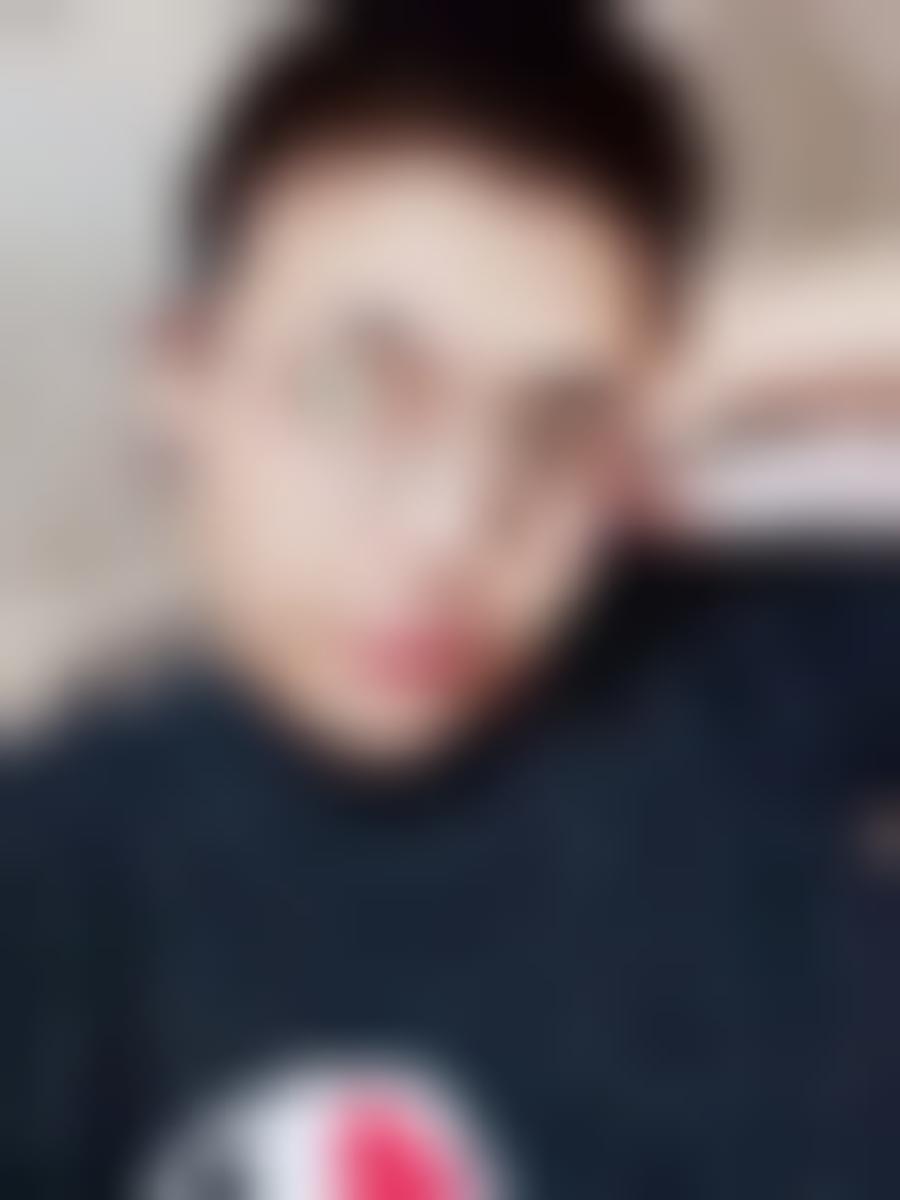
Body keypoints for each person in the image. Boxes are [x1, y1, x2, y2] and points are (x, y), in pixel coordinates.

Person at [3, 2, 898, 1197]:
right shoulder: (60, 883)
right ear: (184, 376)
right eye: (360, 395)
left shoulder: (735, 669)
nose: (451, 530)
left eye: (553, 426)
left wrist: (739, 346)